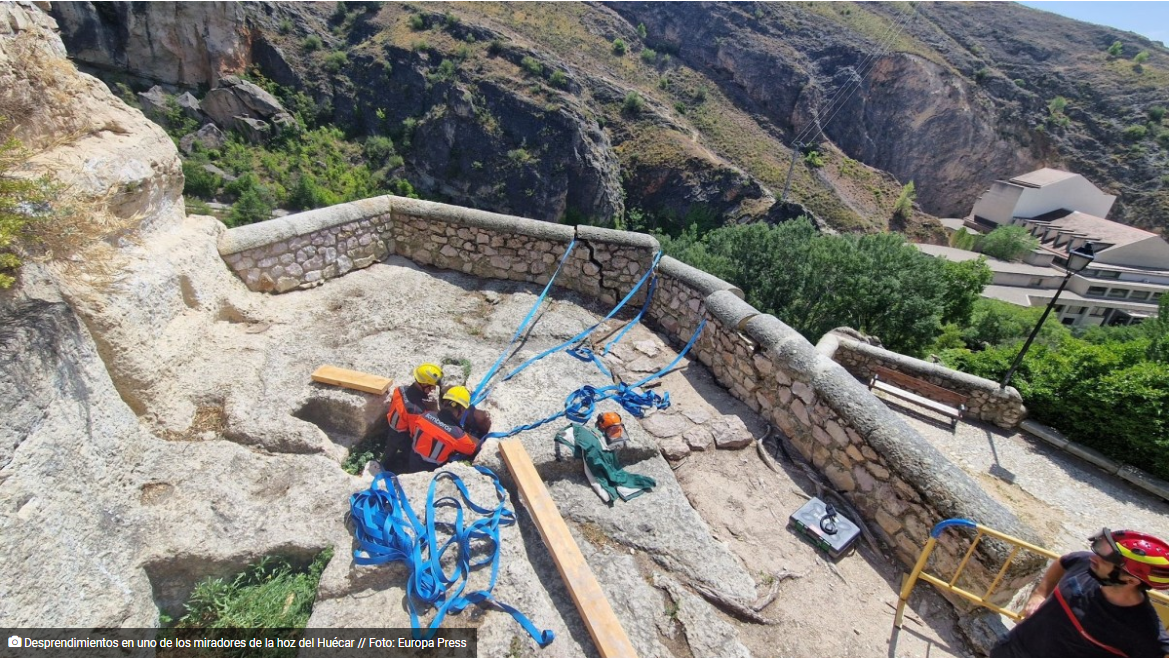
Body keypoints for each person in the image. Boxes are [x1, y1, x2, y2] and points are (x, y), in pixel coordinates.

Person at [990, 528, 1169, 658]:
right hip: (1013, 648)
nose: (1093, 558)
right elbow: (1064, 561)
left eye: (1105, 559)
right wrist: (1040, 594)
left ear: (1131, 580)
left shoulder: (1147, 634)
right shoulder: (1085, 564)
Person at [407, 385, 482, 472]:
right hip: (430, 471)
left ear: (445, 402)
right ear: (462, 409)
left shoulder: (424, 415)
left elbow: (413, 431)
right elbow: (471, 449)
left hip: (412, 461)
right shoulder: (457, 435)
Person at [382, 362, 443, 470]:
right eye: (432, 386)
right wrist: (432, 412)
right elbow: (415, 433)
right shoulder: (416, 411)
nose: (433, 389)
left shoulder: (400, 389)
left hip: (391, 427)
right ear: (424, 384)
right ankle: (405, 469)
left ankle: (383, 465)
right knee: (411, 453)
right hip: (402, 436)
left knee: (389, 451)